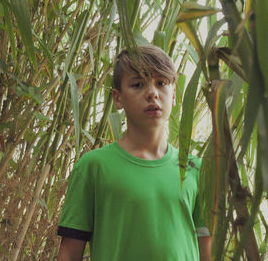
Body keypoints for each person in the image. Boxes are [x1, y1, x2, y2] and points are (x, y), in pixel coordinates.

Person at [56, 45, 212, 261]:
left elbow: (208, 251)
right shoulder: (94, 166)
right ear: (118, 98)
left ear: (174, 95)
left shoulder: (196, 169)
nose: (152, 93)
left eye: (161, 83)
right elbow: (69, 253)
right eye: (138, 84)